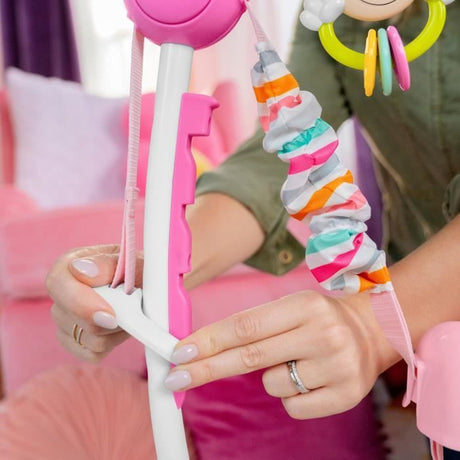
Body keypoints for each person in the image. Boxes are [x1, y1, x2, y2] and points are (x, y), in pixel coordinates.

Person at [47, 2, 460, 458]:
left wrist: (370, 325)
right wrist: (156, 273)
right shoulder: (329, 17)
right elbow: (275, 160)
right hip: (437, 351)